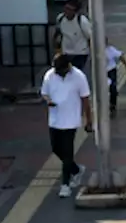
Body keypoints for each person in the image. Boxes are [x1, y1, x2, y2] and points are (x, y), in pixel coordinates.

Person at [40, 53, 93, 199]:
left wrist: (89, 120)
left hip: (71, 120)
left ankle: (65, 185)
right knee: (56, 149)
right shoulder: (50, 75)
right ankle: (76, 170)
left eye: (60, 70)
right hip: (55, 119)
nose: (57, 72)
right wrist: (48, 100)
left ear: (67, 67)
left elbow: (85, 100)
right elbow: (44, 93)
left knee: (67, 150)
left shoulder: (79, 77)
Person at [53, 0, 91, 72]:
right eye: (66, 8)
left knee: (75, 72)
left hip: (80, 53)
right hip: (66, 52)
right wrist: (56, 47)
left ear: (75, 11)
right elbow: (58, 33)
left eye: (70, 10)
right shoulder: (60, 18)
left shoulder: (82, 21)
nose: (67, 11)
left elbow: (89, 37)